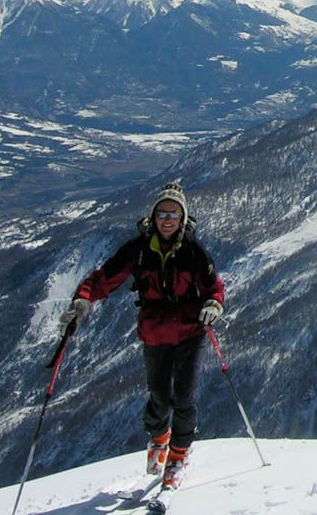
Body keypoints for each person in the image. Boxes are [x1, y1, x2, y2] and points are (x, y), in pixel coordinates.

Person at [60, 183, 226, 490]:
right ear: (153, 216)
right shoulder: (138, 250)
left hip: (190, 332)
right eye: (162, 212)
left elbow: (213, 286)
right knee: (159, 396)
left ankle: (177, 456)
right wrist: (81, 302)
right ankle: (159, 437)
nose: (167, 219)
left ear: (182, 217)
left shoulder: (193, 252)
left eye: (173, 214)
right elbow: (103, 279)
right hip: (155, 333)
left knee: (184, 397)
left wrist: (214, 304)